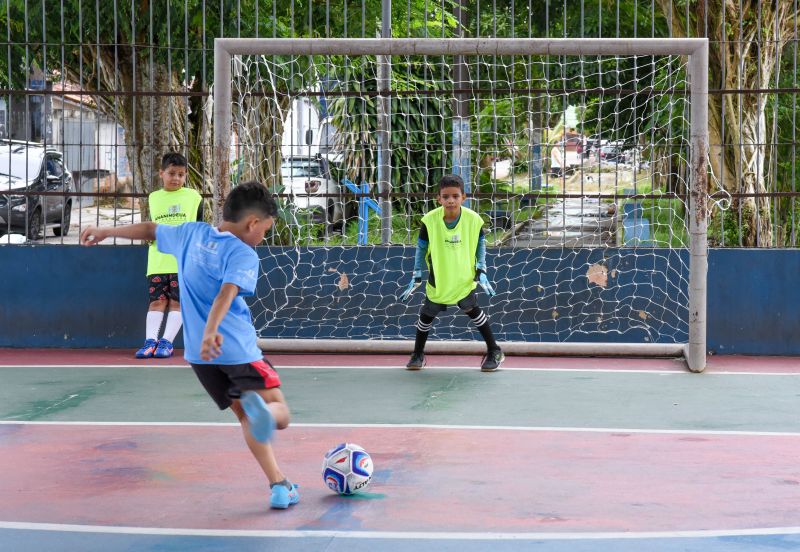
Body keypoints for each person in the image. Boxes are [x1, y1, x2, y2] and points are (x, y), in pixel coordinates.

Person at [80, 181, 299, 510]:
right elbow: (227, 293)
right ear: (252, 223)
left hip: (200, 356)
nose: (263, 238)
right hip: (236, 349)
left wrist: (105, 230)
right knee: (280, 414)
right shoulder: (243, 253)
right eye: (265, 231)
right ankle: (266, 413)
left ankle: (279, 485)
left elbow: (151, 229)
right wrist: (213, 329)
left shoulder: (191, 234)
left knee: (245, 418)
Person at [399, 174, 504, 372]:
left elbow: (481, 245)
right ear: (438, 198)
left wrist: (481, 270)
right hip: (440, 278)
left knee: (472, 311)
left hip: (464, 278)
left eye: (455, 196)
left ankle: (494, 350)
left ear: (464, 197)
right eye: (446, 196)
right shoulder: (429, 221)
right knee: (426, 315)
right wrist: (417, 273)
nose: (450, 200)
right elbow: (421, 248)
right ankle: (418, 353)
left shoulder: (474, 220)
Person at [136, 152, 203, 359]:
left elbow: (199, 225)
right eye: (172, 173)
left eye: (181, 174)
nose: (176, 178)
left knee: (178, 303)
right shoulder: (153, 197)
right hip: (157, 260)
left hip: (183, 261)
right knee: (157, 302)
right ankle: (150, 342)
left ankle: (166, 342)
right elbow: (150, 227)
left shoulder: (194, 197)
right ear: (161, 173)